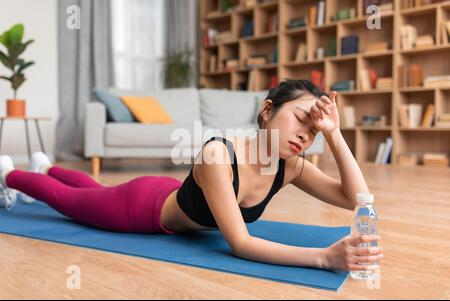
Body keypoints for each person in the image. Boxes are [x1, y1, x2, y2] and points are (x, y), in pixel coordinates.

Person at [0, 79, 383, 272]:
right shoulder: (218, 155)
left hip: (170, 195)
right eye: (301, 119)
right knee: (71, 202)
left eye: (313, 131)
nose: (305, 134)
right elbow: (241, 244)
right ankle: (10, 174)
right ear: (267, 110)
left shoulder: (290, 166)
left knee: (95, 190)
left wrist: (332, 133)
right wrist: (322, 258)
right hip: (142, 209)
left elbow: (357, 200)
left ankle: (47, 165)